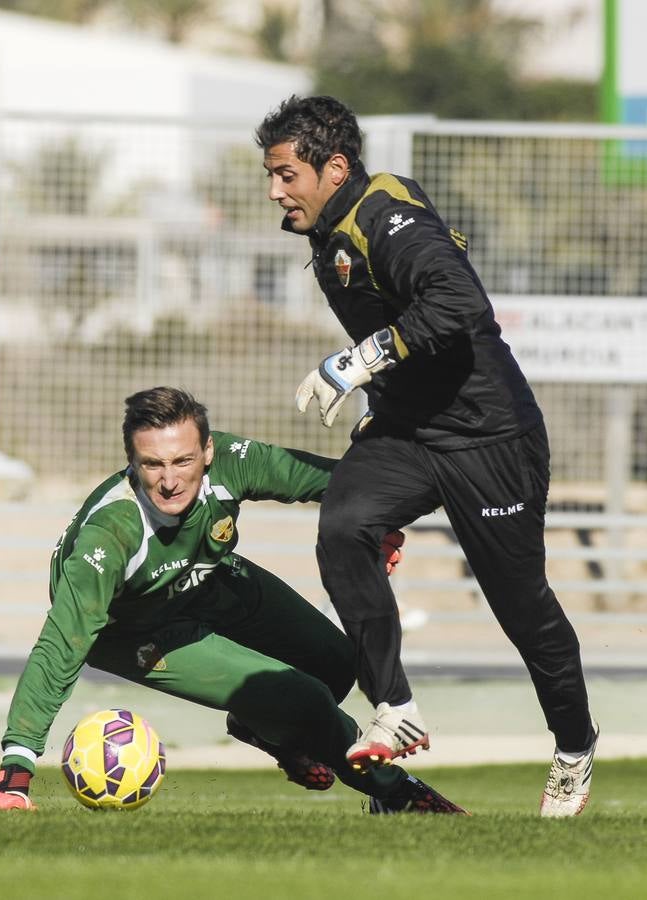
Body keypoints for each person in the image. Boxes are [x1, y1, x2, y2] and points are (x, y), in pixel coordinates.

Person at [255, 95, 599, 817]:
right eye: (270, 175)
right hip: (411, 430)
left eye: (286, 174)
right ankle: (395, 706)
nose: (275, 190)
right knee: (343, 524)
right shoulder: (330, 232)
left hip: (489, 439)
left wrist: (356, 363)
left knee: (522, 609)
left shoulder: (387, 214)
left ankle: (574, 747)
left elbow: (460, 307)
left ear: (334, 167)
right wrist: (378, 401)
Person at [0, 386, 464, 815]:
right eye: (153, 464)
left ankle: (261, 726)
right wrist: (14, 776)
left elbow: (327, 480)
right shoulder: (111, 536)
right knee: (306, 701)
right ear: (132, 461)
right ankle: (396, 795)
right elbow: (59, 647)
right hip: (138, 632)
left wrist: (374, 520)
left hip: (208, 581)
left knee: (338, 665)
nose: (170, 481)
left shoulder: (232, 461)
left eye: (183, 461)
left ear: (208, 451)